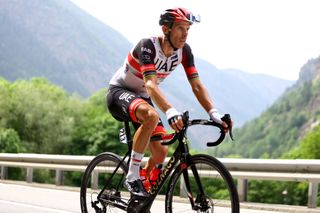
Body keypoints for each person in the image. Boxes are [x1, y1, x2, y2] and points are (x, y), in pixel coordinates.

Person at [106, 7, 230, 198]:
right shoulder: (147, 45)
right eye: (181, 28)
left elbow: (197, 86)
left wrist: (214, 113)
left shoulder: (184, 52)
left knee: (160, 154)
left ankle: (141, 187)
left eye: (188, 29)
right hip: (120, 92)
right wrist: (170, 111)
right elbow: (150, 84)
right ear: (166, 29)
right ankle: (132, 177)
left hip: (143, 97)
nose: (185, 34)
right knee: (152, 116)